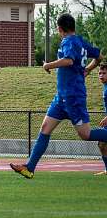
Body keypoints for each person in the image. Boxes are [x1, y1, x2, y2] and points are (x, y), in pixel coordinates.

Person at [10, 13, 106, 179]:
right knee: (45, 129)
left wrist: (48, 65)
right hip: (61, 97)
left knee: (86, 134)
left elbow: (68, 60)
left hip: (73, 96)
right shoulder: (81, 41)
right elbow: (98, 57)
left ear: (60, 29)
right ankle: (30, 167)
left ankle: (30, 166)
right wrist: (88, 69)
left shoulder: (69, 41)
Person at [94, 64, 107, 175]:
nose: (101, 75)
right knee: (102, 144)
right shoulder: (105, 87)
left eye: (104, 73)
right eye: (99, 73)